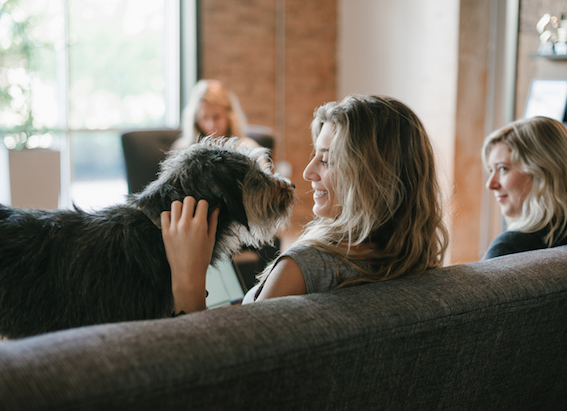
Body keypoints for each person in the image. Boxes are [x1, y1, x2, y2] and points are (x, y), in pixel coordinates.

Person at [161, 95, 449, 315]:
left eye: (326, 159)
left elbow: (214, 370)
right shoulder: (419, 262)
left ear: (371, 177)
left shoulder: (301, 270)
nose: (308, 172)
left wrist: (188, 281)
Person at [481, 116, 567, 260]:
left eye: (503, 168)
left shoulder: (508, 248)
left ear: (542, 172)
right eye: (491, 171)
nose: (490, 184)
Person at [171, 79, 260, 150]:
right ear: (195, 119)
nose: (211, 125)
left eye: (217, 117)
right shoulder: (182, 149)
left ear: (230, 117)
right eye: (204, 117)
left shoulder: (249, 149)